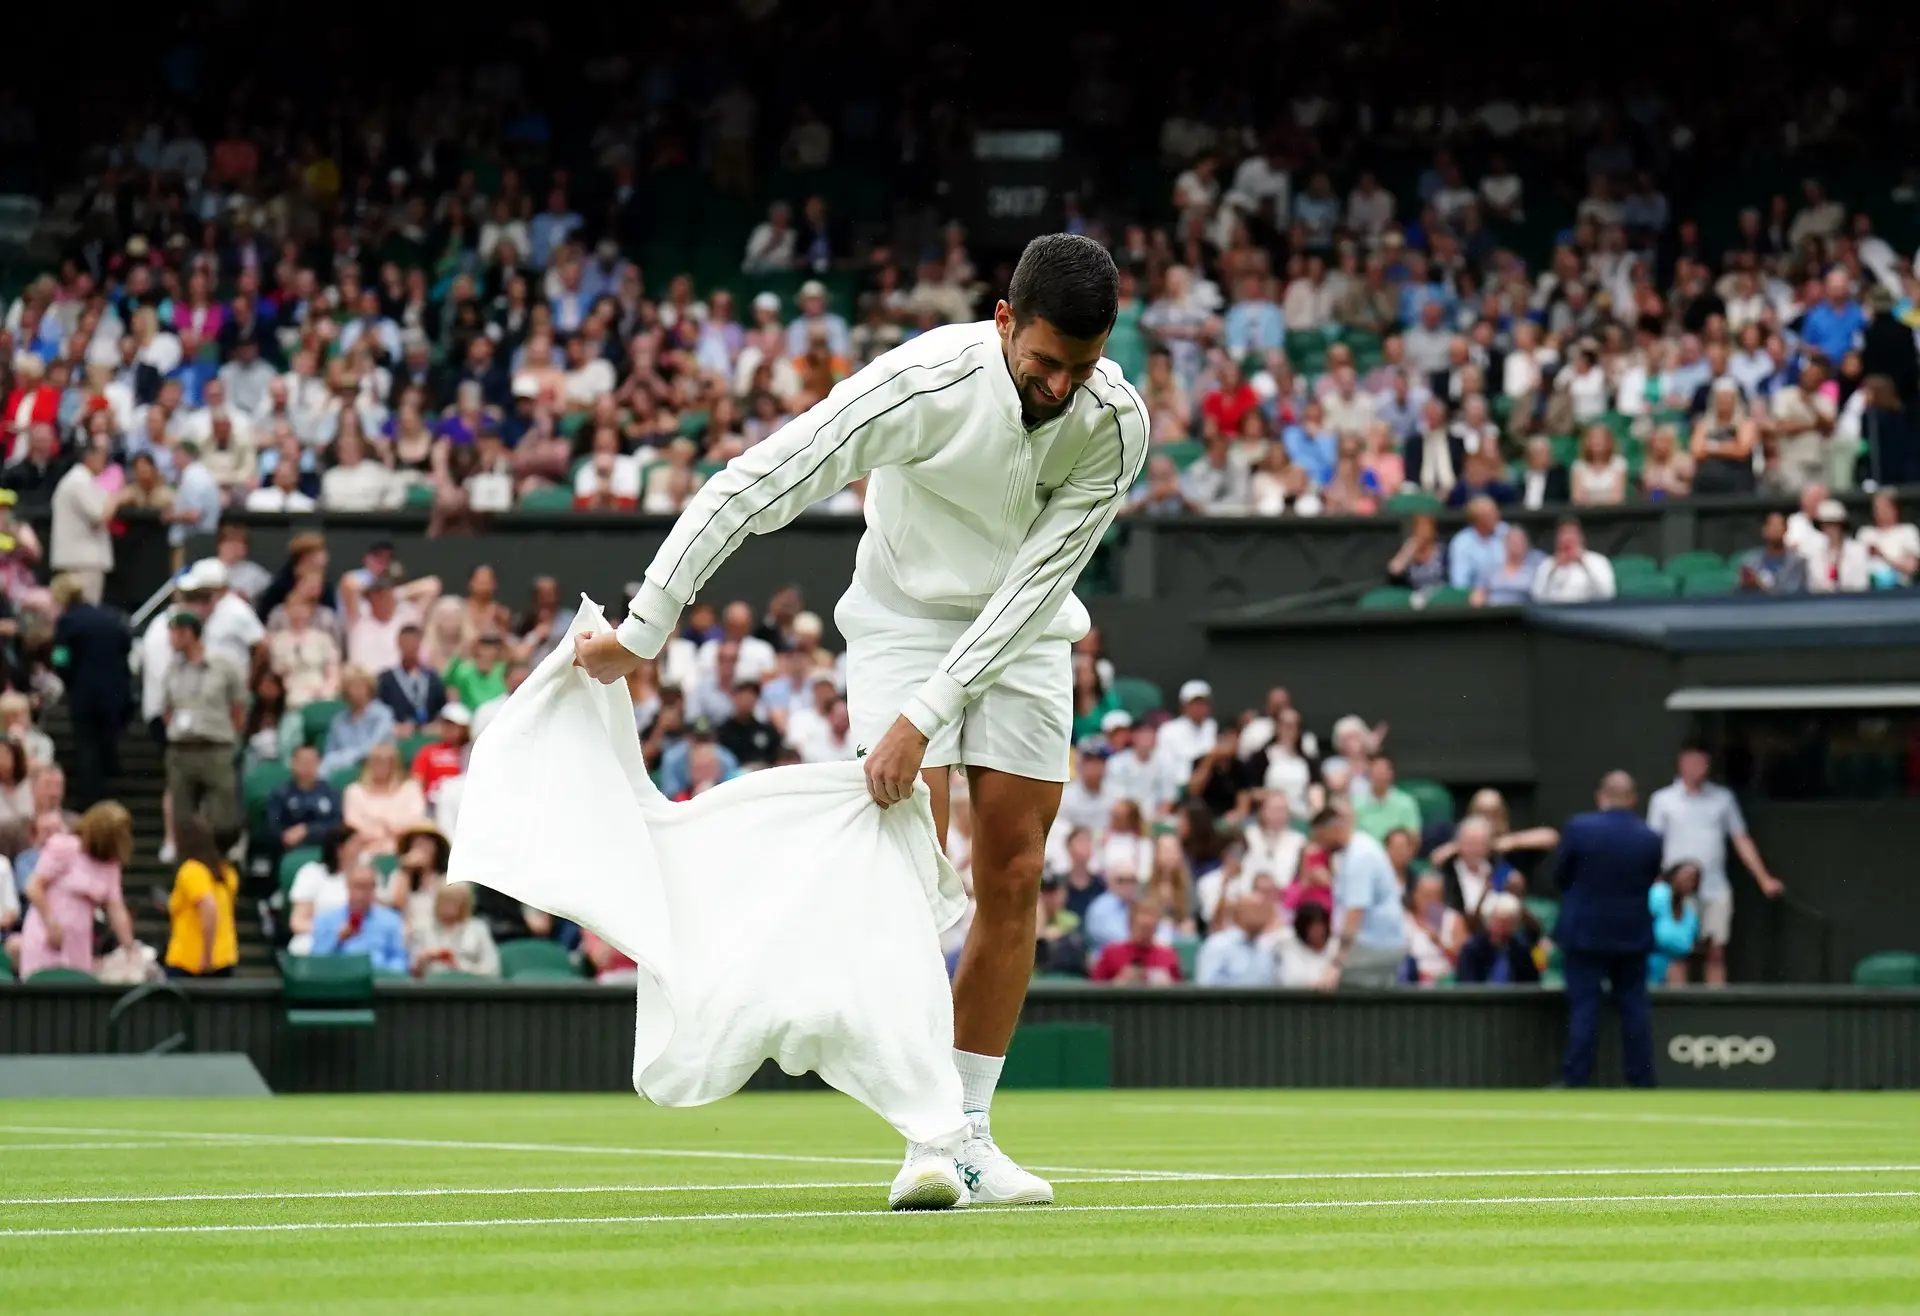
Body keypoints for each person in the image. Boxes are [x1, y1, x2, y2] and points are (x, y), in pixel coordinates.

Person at [572, 232, 1146, 1212]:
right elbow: (761, 480)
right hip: (899, 621)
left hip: (1026, 628)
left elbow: (1032, 586)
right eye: (1044, 361)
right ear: (1004, 321)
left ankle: (967, 1132)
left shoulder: (1113, 422)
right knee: (904, 866)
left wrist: (928, 717)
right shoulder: (921, 382)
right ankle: (923, 1130)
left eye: (1079, 368)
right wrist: (645, 625)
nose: (1057, 386)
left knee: (1011, 869)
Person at [1554, 771, 1663, 1087]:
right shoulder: (1649, 837)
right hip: (1631, 933)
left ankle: (1575, 1078)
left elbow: (1561, 875)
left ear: (1601, 796)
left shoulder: (1579, 828)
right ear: (1633, 799)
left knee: (1584, 1006)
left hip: (1585, 933)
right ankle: (1642, 1079)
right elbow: (1649, 877)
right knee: (1634, 1007)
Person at [1645, 745, 1784, 986]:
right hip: (1676, 891)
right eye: (1693, 762)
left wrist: (1764, 879)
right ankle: (1680, 1012)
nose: (1699, 768)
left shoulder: (1723, 798)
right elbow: (1651, 844)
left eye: (1704, 762)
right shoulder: (1662, 800)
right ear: (1682, 763)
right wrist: (1652, 880)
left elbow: (1741, 838)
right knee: (1676, 951)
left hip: (1715, 887)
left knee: (1715, 952)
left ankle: (1716, 1008)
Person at [16, 801, 136, 978]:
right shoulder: (65, 847)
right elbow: (34, 887)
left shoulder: (111, 865)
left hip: (79, 941)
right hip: (48, 934)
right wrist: (50, 923)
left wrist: (130, 947)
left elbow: (116, 908)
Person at [159, 611, 247, 845]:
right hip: (181, 750)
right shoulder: (173, 669)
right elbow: (167, 708)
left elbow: (238, 707)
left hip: (215, 747)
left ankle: (222, 862)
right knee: (182, 816)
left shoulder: (223, 666)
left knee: (222, 815)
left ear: (189, 633)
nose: (171, 639)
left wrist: (229, 735)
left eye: (175, 633)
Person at [48, 573, 131, 810]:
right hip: (116, 693)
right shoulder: (110, 616)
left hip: (85, 696)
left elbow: (60, 658)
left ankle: (90, 804)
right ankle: (115, 781)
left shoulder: (68, 623)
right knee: (108, 738)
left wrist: (68, 680)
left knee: (87, 747)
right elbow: (126, 645)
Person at [1311, 805, 1408, 988]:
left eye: (1321, 838)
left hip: (1375, 947)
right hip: (1377, 946)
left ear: (1333, 829)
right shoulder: (1355, 849)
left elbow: (1354, 914)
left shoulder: (1360, 857)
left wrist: (1336, 965)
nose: (1320, 845)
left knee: (1339, 987)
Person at [163, 811, 239, 979]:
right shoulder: (227, 873)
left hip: (190, 963)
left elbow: (209, 906)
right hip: (224, 959)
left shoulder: (191, 870)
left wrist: (206, 955)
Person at [309, 863, 410, 974]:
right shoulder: (325, 919)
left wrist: (385, 973)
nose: (362, 893)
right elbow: (316, 962)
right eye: (358, 886)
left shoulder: (391, 920)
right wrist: (338, 939)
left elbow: (400, 960)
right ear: (348, 886)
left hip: (378, 984)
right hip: (338, 982)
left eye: (368, 887)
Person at [1194, 892, 1281, 986]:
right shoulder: (1218, 945)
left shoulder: (1266, 948)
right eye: (1254, 909)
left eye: (1262, 910)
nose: (1260, 915)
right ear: (1238, 914)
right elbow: (1206, 988)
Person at [1088, 898, 1182, 984]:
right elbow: (1093, 989)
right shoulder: (1112, 952)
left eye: (1148, 928)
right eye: (1141, 927)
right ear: (1130, 924)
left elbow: (1181, 991)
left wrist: (1168, 983)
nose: (1144, 934)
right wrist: (1119, 981)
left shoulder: (1167, 955)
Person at [1453, 891, 1540, 984]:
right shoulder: (1472, 950)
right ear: (1488, 921)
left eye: (1509, 923)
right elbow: (1468, 986)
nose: (1503, 928)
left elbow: (1532, 985)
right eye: (1499, 922)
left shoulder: (1521, 950)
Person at [1648, 860, 1703, 986]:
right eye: (1685, 874)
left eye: (1693, 878)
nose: (1688, 880)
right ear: (1674, 874)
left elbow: (1685, 948)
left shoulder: (1691, 916)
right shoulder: (1658, 894)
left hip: (1669, 974)